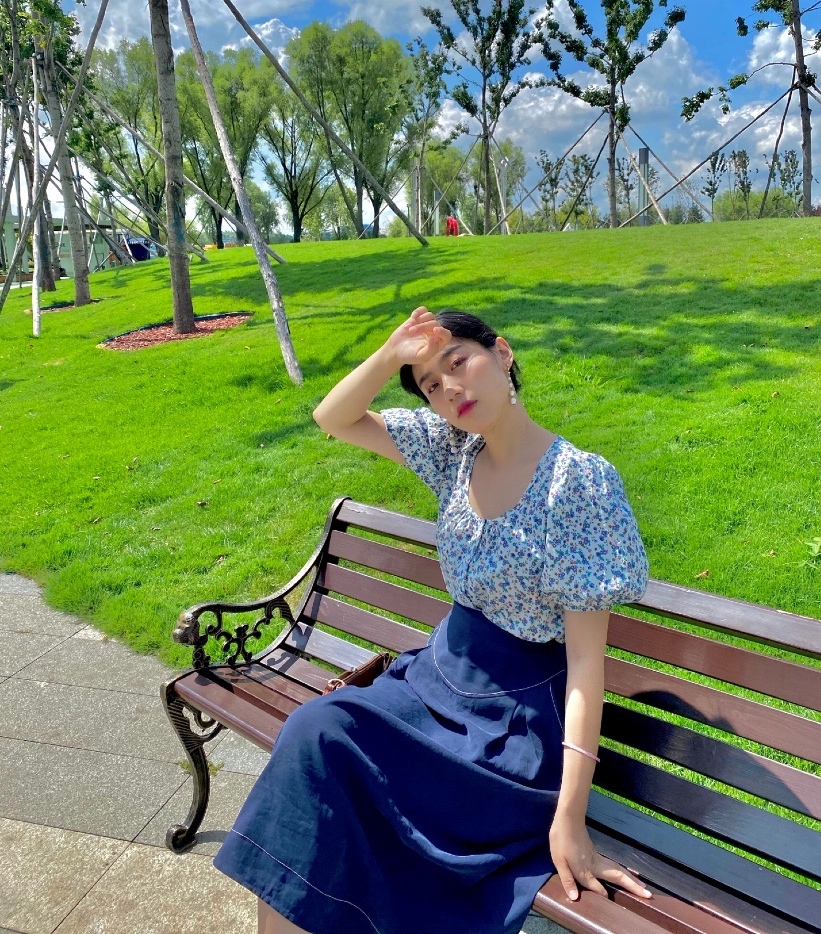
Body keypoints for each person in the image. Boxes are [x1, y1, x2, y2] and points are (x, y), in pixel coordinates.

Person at [214, 307, 652, 934]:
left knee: (336, 760)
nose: (449, 388)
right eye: (429, 384)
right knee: (316, 732)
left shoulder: (577, 484)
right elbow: (333, 417)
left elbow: (586, 663)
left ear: (502, 353)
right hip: (431, 685)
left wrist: (570, 817)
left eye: (458, 362)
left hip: (511, 725)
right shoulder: (453, 452)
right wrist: (392, 353)